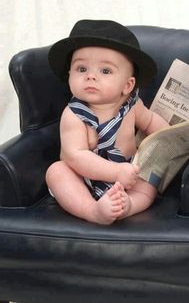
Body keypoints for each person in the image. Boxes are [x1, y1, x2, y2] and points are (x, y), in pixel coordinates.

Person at [46, 19, 169, 225]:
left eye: (105, 71)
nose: (91, 76)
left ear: (128, 85)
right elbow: (75, 156)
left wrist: (171, 136)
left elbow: (150, 122)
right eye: (81, 69)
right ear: (69, 75)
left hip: (129, 173)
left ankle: (128, 205)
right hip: (84, 178)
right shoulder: (74, 114)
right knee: (57, 172)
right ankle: (92, 210)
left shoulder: (132, 105)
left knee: (150, 178)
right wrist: (116, 172)